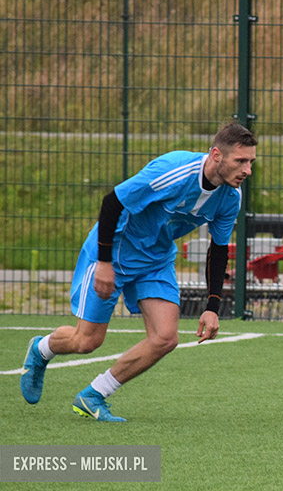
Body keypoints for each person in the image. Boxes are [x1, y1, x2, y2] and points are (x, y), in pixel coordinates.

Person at [20, 122, 257, 421]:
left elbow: (218, 249)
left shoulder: (230, 199)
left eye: (251, 162)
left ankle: (93, 396)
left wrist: (212, 306)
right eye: (241, 161)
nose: (247, 170)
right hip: (115, 251)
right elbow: (112, 202)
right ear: (216, 155)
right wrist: (105, 263)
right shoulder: (174, 171)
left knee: (165, 338)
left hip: (156, 259)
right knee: (87, 342)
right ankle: (41, 350)